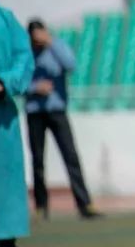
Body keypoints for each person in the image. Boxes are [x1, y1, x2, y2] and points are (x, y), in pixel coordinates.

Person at [24, 20, 101, 220]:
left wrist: (50, 42)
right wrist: (34, 88)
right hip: (34, 111)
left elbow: (71, 64)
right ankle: (41, 206)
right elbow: (17, 81)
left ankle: (85, 204)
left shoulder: (56, 46)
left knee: (71, 156)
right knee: (38, 160)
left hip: (57, 110)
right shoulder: (25, 54)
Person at [0, 0, 38, 247]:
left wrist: (3, 82)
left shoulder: (3, 17)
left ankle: (6, 246)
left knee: (4, 177)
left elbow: (23, 57)